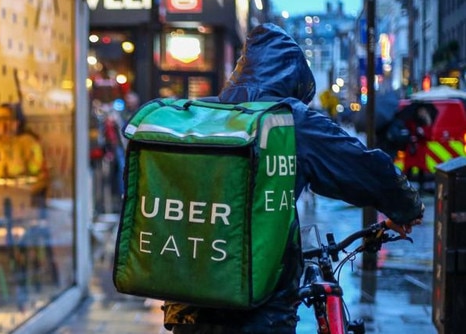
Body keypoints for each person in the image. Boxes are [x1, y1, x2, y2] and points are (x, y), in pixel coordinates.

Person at [162, 23, 425, 333]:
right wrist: (407, 209)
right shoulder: (287, 122)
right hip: (260, 313)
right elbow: (364, 168)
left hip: (189, 306)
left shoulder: (206, 117)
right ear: (293, 82)